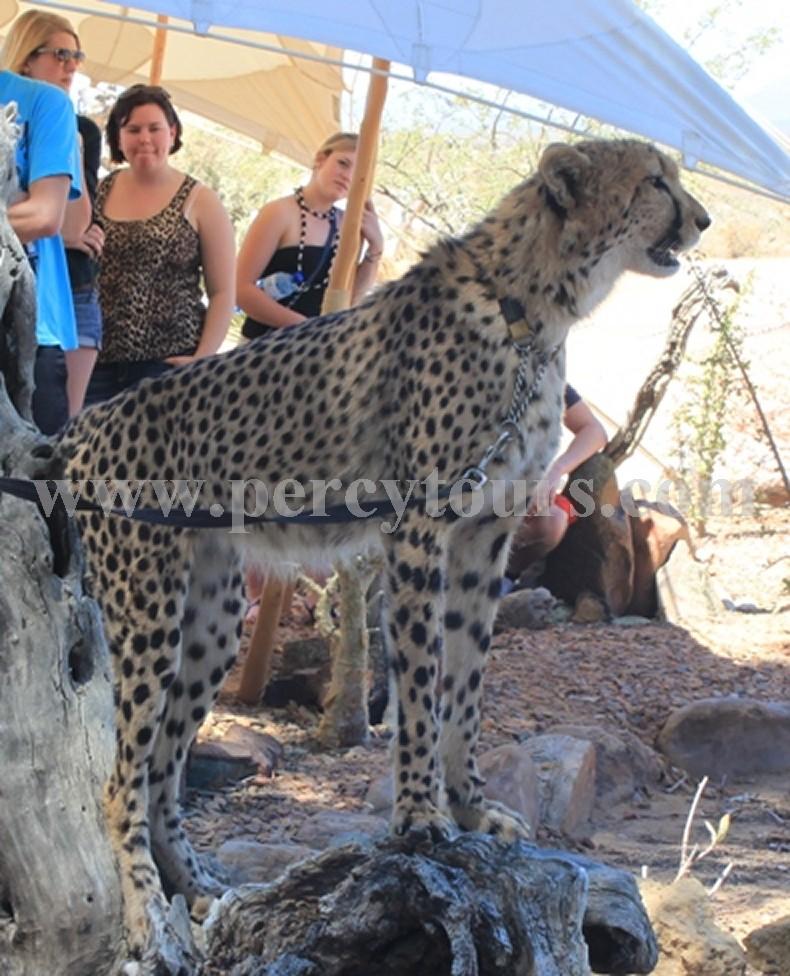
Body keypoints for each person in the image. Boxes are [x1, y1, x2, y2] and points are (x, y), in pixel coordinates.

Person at [85, 84, 235, 404]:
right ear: (118, 137)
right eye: (133, 129)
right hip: (95, 361)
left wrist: (202, 359)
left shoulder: (201, 201)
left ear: (172, 132)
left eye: (154, 128)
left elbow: (223, 292)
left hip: (168, 364)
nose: (144, 139)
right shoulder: (96, 192)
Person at [6, 9, 105, 417]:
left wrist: (75, 152)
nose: (71, 66)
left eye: (76, 57)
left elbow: (61, 219)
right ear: (27, 55)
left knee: (37, 454)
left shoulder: (54, 109)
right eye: (61, 54)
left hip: (36, 310)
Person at [237, 131, 383, 338]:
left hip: (313, 356)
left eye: (359, 172)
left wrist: (376, 247)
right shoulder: (279, 212)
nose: (348, 176)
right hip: (261, 350)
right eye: (343, 163)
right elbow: (241, 289)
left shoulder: (349, 226)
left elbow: (351, 299)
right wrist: (307, 329)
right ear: (320, 159)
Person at [505, 384, 608, 587]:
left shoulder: (546, 379)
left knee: (553, 520)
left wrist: (553, 472)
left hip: (514, 490)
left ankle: (503, 579)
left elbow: (595, 431)